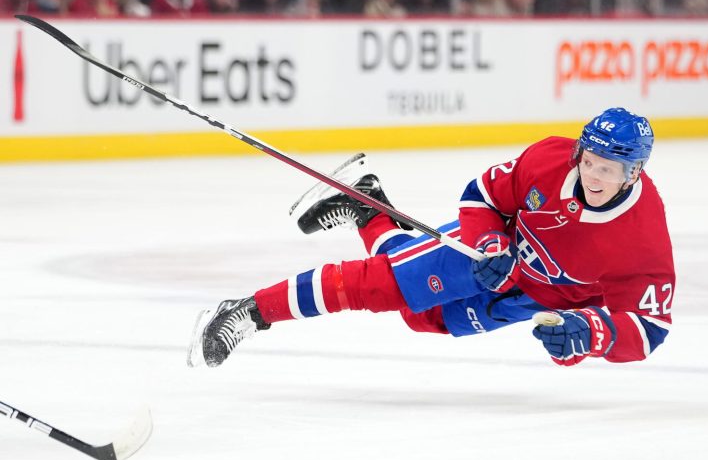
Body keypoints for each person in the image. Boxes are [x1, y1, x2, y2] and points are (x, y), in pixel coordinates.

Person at [187, 107, 675, 369]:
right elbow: (482, 195)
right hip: (492, 253)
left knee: (420, 316)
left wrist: (591, 333)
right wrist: (490, 245)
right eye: (589, 161)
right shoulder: (550, 159)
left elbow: (649, 327)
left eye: (608, 169)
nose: (592, 175)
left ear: (633, 173)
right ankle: (249, 311)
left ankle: (367, 205)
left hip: (538, 296)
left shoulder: (643, 238)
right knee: (380, 285)